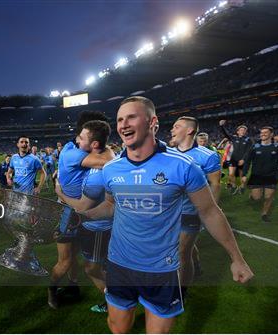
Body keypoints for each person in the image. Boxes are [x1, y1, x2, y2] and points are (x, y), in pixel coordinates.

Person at [83, 96, 253, 334]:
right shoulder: (111, 169)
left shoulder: (183, 166)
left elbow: (210, 210)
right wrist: (83, 215)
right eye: (120, 119)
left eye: (131, 117)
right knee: (117, 328)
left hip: (162, 269)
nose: (123, 124)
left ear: (153, 122)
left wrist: (237, 258)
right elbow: (111, 206)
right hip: (119, 264)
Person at [49, 111, 113, 310]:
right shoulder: (73, 153)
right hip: (70, 213)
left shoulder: (78, 150)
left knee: (91, 262)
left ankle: (75, 286)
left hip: (89, 215)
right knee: (66, 260)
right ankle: (51, 290)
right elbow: (111, 162)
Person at [170, 117, 221, 290]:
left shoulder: (208, 156)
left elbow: (215, 184)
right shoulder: (168, 153)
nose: (172, 129)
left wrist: (208, 212)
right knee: (186, 248)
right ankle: (196, 267)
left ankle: (180, 291)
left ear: (190, 130)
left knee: (181, 252)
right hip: (169, 211)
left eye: (177, 126)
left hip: (191, 211)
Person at [241, 126, 278, 222]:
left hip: (272, 176)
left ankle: (264, 214)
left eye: (265, 132)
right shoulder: (255, 147)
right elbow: (247, 161)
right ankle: (252, 195)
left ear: (271, 134)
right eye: (261, 132)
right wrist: (244, 174)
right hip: (256, 176)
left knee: (268, 197)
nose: (262, 134)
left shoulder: (277, 147)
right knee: (257, 198)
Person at [219, 119, 253, 194]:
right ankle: (234, 186)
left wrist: (244, 159)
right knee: (231, 174)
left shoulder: (248, 140)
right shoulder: (234, 138)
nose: (243, 131)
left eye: (244, 130)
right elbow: (226, 134)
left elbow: (249, 151)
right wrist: (222, 126)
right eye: (241, 130)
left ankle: (242, 187)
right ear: (238, 132)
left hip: (242, 160)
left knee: (242, 175)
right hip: (233, 159)